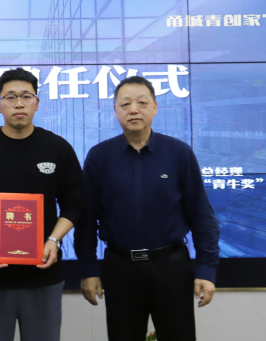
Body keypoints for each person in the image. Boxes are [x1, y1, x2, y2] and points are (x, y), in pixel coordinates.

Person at [74, 76, 220, 341]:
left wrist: (206, 270)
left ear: (154, 107)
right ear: (115, 111)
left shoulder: (179, 153)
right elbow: (87, 219)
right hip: (120, 269)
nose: (133, 110)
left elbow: (201, 215)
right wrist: (88, 270)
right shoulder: (99, 156)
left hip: (172, 267)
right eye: (125, 104)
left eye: (141, 103)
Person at [0, 68, 87, 341]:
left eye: (26, 96)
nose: (19, 103)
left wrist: (54, 240)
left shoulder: (57, 148)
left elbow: (75, 202)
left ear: (37, 102)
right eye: (10, 97)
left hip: (42, 275)